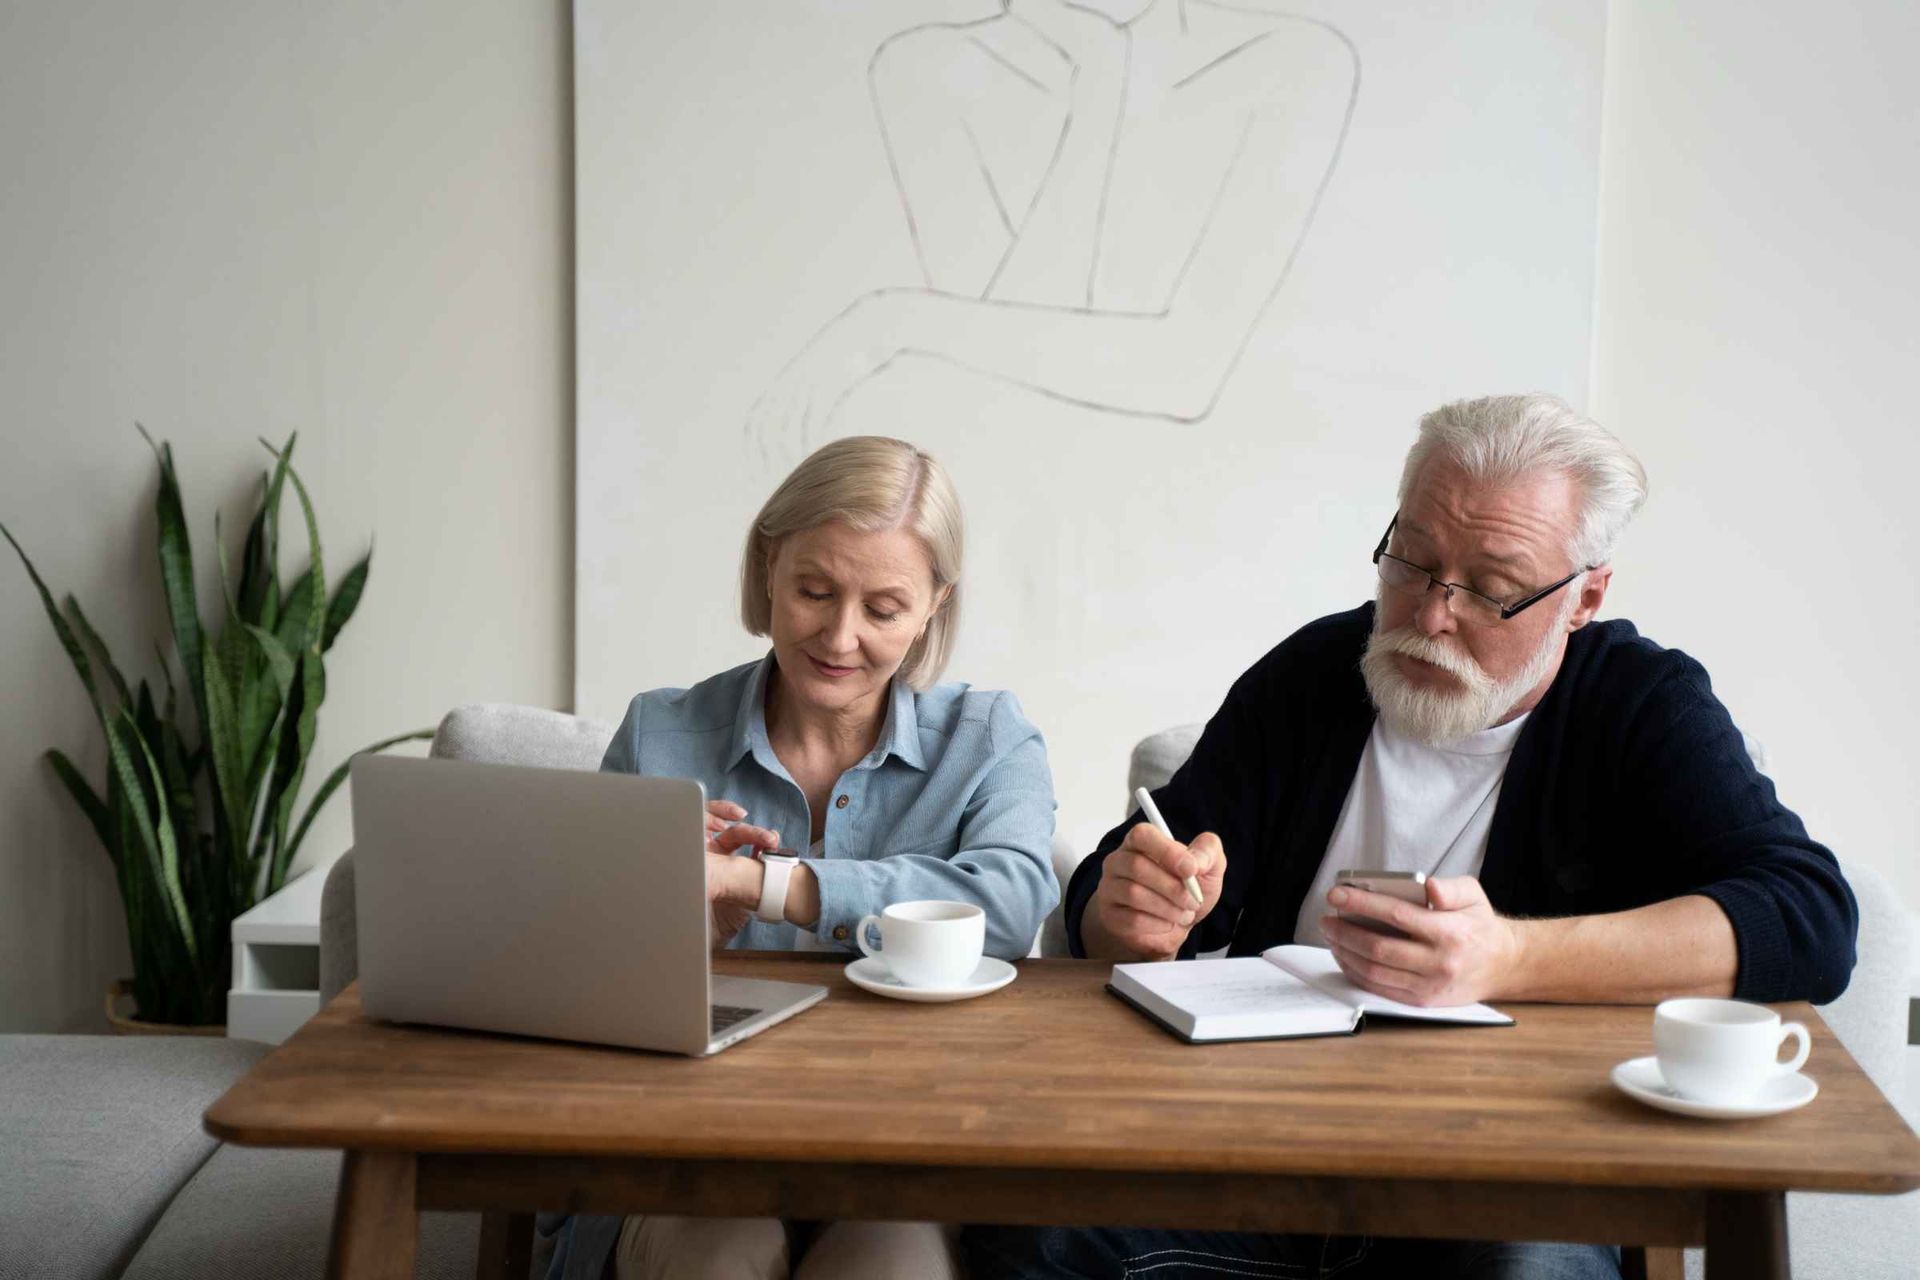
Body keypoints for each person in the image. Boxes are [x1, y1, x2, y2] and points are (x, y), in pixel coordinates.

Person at [963, 393, 1857, 1280]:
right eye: (1412, 562)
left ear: (1584, 598)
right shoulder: (1317, 674)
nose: (1432, 615)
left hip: (1517, 1179)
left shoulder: (1640, 708)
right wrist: (1125, 911)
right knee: (1030, 1234)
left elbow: (1809, 918)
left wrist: (1508, 958)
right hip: (1265, 1166)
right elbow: (1137, 879)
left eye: (1493, 590)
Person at [544, 435, 1059, 1280]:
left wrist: (768, 884)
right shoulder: (660, 734)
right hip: (687, 1159)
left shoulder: (989, 737)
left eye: (884, 608)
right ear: (767, 570)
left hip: (908, 1164)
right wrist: (684, 934)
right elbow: (569, 983)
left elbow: (1008, 903)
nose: (840, 636)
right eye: (814, 590)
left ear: (935, 605)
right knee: (721, 1256)